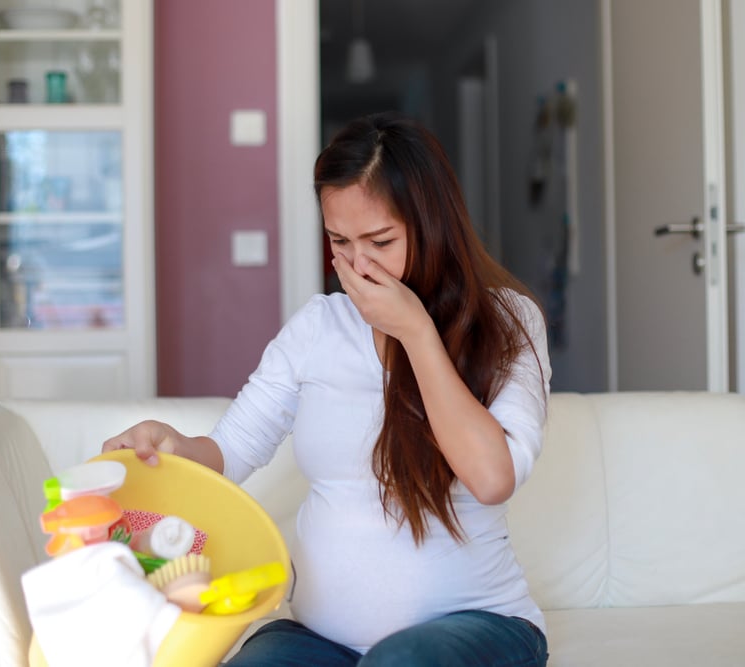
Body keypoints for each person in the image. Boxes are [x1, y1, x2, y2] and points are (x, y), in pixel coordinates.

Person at [103, 111, 551, 666]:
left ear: (433, 225)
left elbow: (492, 478)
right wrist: (172, 447)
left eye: (380, 241)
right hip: (320, 640)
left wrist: (415, 331)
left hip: (480, 625)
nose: (358, 265)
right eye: (340, 241)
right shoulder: (318, 327)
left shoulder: (508, 320)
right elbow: (231, 450)